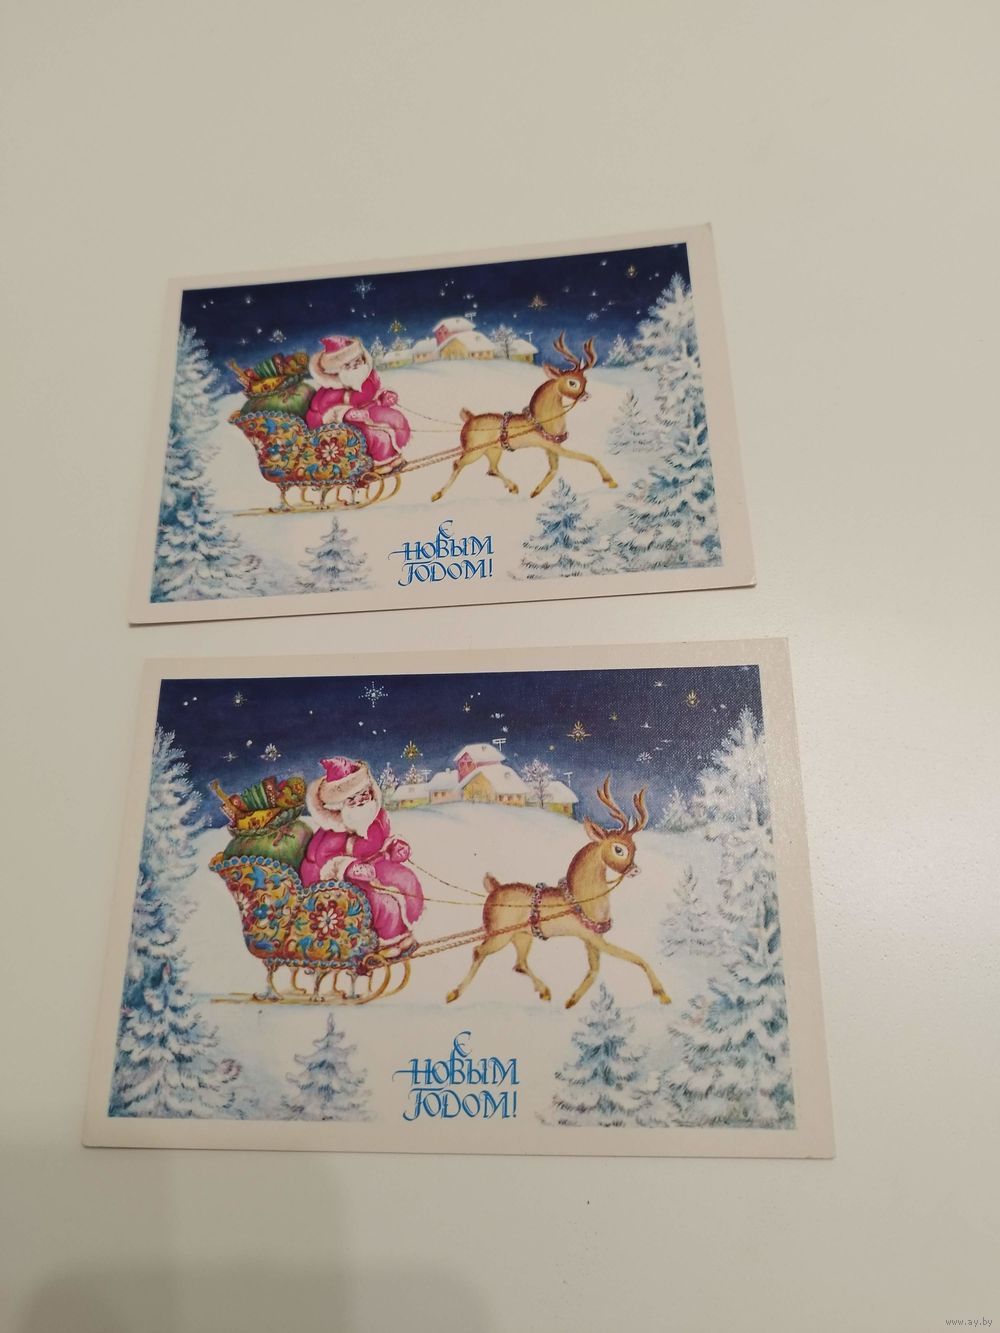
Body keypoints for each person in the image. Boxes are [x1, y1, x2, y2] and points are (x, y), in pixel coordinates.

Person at [300, 757, 423, 958]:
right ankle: (386, 942)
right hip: (332, 881)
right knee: (382, 902)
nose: (361, 802)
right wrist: (350, 868)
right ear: (338, 806)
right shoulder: (334, 831)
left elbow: (379, 843)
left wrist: (394, 848)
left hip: (370, 866)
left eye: (364, 794)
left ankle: (404, 932)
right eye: (352, 799)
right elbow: (326, 861)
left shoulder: (375, 818)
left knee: (405, 879)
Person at [305, 335, 411, 471]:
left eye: (358, 361)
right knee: (377, 436)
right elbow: (323, 413)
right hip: (342, 426)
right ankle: (380, 463)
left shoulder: (367, 378)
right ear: (336, 370)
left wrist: (384, 397)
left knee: (395, 418)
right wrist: (347, 413)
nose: (355, 366)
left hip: (366, 413)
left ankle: (394, 454)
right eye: (347, 365)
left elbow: (370, 396)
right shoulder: (332, 390)